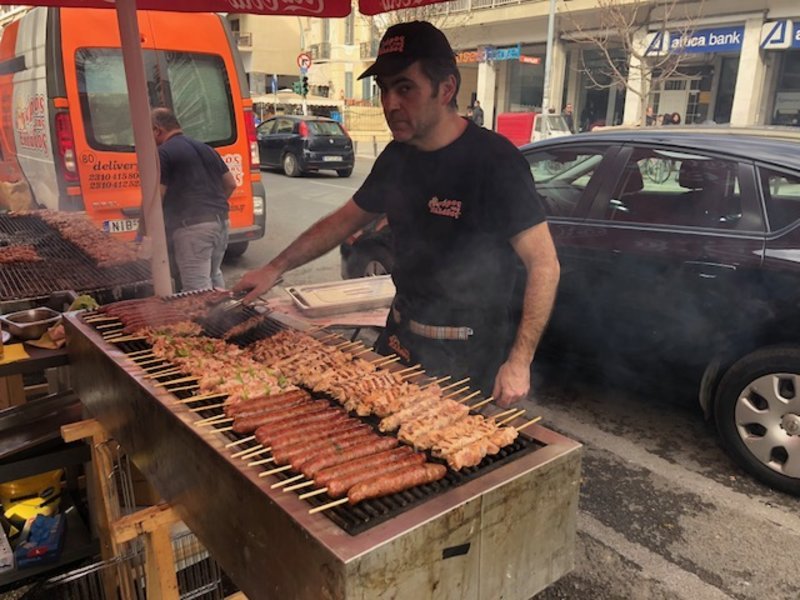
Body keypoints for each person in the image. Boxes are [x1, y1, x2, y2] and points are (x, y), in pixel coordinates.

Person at [234, 21, 560, 407]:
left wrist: (520, 361)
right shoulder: (397, 156)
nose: (390, 103)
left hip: (467, 355)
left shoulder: (495, 162)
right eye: (384, 89)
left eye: (405, 87)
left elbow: (544, 264)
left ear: (446, 89)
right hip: (399, 337)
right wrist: (275, 267)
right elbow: (343, 221)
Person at [152, 107, 236, 291]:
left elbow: (156, 198)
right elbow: (230, 184)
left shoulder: (163, 153)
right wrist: (212, 208)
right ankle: (224, 316)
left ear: (157, 130)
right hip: (221, 223)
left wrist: (144, 232)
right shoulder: (206, 148)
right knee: (214, 275)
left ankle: (206, 320)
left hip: (193, 229)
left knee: (196, 289)